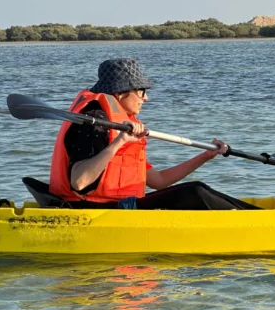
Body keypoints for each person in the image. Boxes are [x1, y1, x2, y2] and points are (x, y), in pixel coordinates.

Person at [48, 58, 257, 210]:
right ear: (121, 93)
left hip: (116, 207)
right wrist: (118, 143)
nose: (145, 98)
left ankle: (257, 217)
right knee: (195, 192)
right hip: (93, 211)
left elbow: (158, 180)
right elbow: (79, 181)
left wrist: (205, 156)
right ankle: (258, 221)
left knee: (196, 189)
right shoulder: (94, 121)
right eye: (141, 91)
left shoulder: (119, 123)